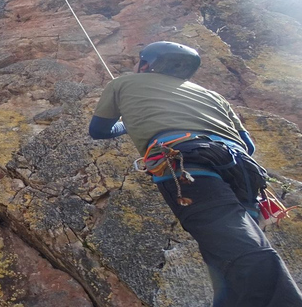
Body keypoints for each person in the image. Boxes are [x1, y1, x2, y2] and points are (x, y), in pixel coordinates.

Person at [89, 41, 302, 307]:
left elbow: (98, 131)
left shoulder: (124, 83)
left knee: (243, 251)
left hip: (189, 162)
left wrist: (130, 123)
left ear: (145, 64)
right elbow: (248, 145)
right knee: (227, 255)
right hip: (244, 172)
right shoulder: (213, 96)